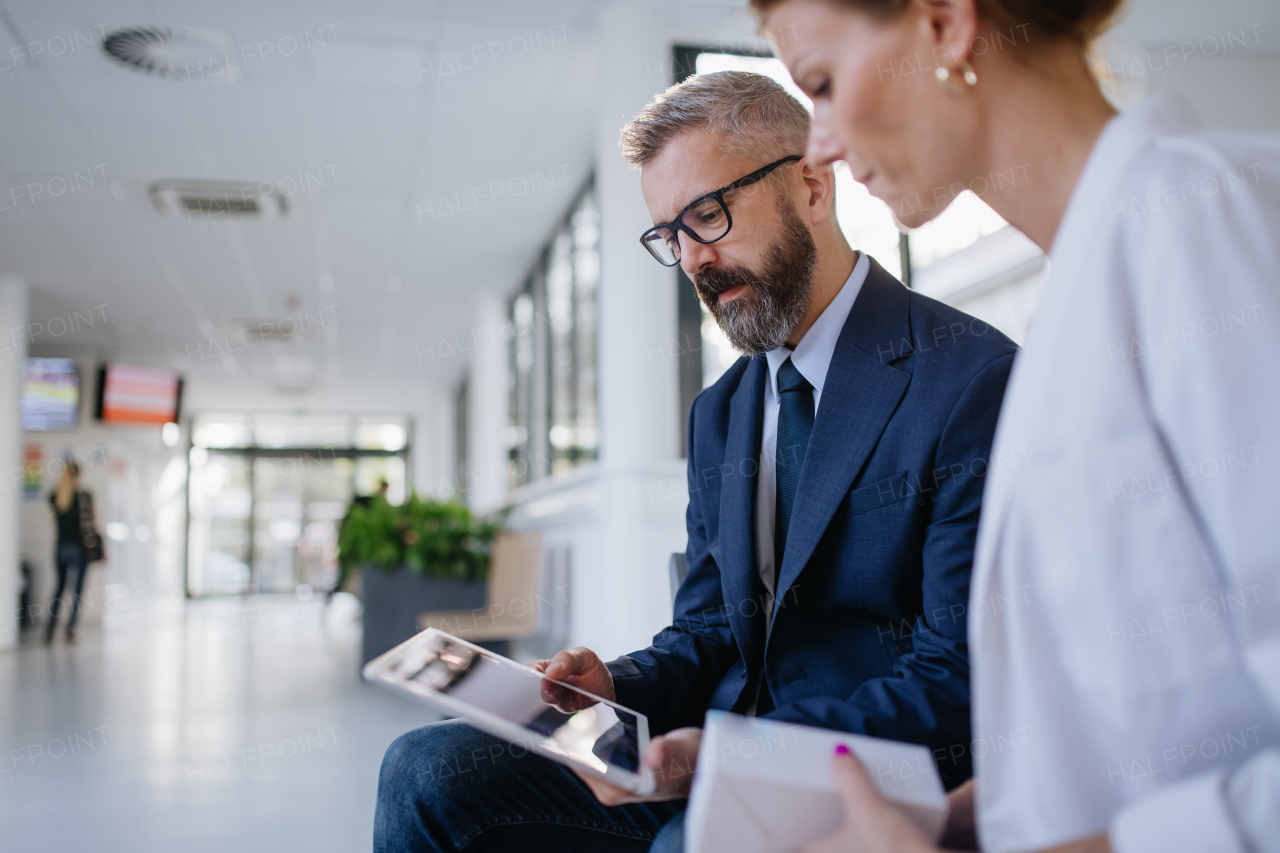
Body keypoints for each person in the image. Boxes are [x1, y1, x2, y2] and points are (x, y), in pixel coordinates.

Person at [374, 70, 1016, 852]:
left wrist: (740, 754)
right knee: (423, 768)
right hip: (713, 749)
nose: (692, 261)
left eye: (708, 215)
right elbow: (712, 624)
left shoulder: (968, 378)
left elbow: (957, 678)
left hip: (866, 774)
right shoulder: (723, 410)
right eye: (669, 235)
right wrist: (613, 681)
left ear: (812, 185)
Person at [753, 1, 1280, 852]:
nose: (820, 144)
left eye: (820, 82)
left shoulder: (1201, 216)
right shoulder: (1078, 297)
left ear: (945, 24)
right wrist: (970, 816)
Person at [45, 462, 92, 644]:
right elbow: (91, 522)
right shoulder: (84, 496)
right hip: (79, 549)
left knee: (59, 588)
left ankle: (50, 629)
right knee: (77, 591)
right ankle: (70, 631)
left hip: (60, 547)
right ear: (78, 475)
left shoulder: (54, 496)